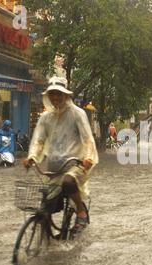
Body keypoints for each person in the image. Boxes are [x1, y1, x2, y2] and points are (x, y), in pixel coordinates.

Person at [23, 76, 98, 233]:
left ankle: (81, 211)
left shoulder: (77, 114)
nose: (55, 97)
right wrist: (32, 157)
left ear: (66, 95)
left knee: (68, 182)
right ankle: (45, 238)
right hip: (54, 167)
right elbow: (39, 141)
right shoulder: (45, 117)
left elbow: (88, 139)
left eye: (59, 93)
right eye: (52, 94)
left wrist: (89, 158)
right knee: (47, 204)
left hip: (75, 165)